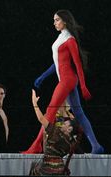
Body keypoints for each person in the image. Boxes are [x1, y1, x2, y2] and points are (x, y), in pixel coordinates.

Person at [23, 9, 103, 154]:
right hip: (68, 79)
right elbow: (57, 63)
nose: (54, 23)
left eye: (57, 20)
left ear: (65, 21)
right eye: (54, 20)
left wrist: (84, 86)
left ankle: (36, 146)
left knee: (50, 111)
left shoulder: (69, 39)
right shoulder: (61, 38)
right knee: (78, 113)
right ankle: (96, 146)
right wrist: (43, 76)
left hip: (68, 80)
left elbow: (78, 63)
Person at [29, 90, 82, 176]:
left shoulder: (71, 118)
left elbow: (41, 120)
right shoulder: (51, 115)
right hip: (55, 152)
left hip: (52, 159)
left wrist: (34, 103)